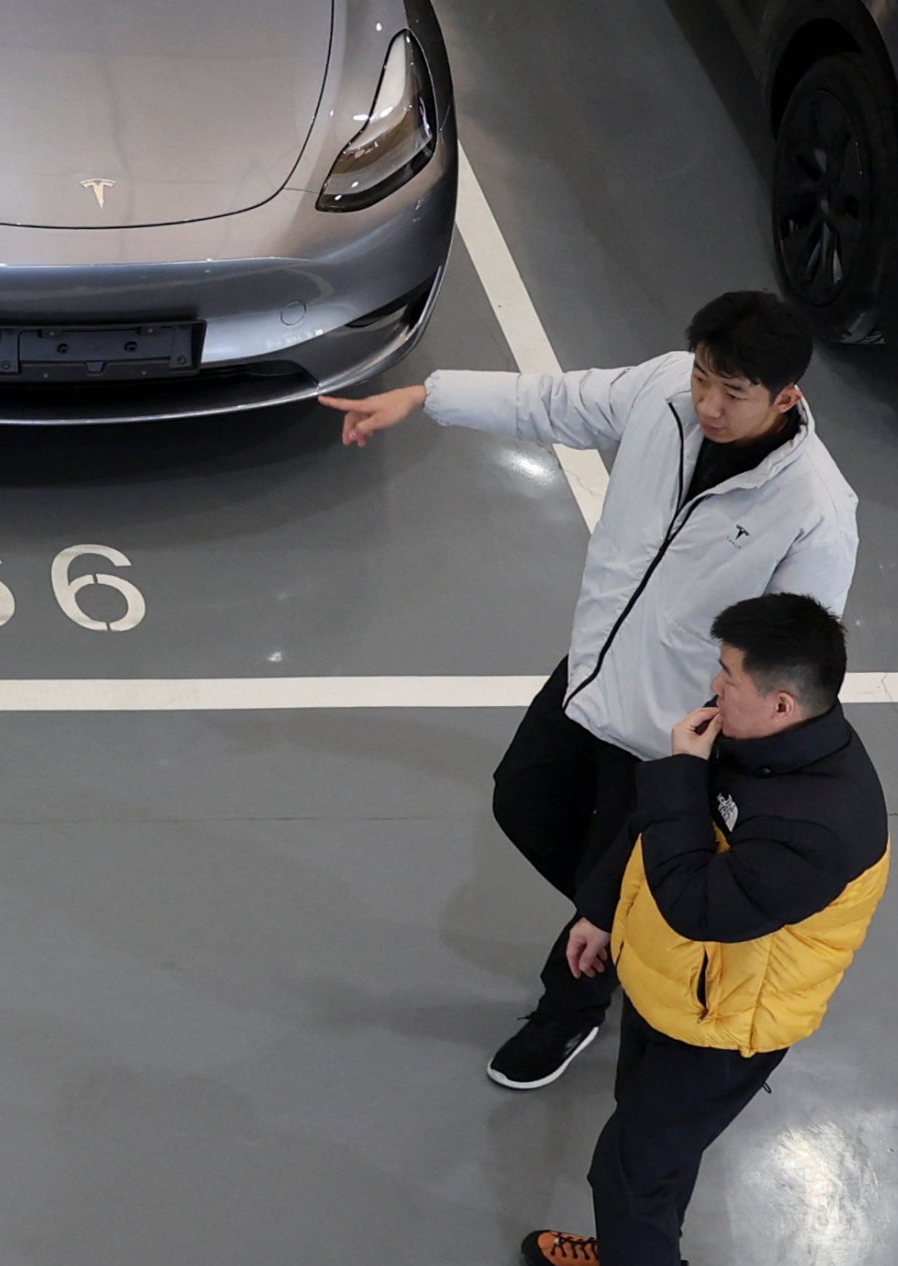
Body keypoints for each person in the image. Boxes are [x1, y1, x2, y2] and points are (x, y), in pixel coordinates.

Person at [322, 291, 858, 1090]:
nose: (707, 403)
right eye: (704, 378)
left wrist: (717, 766)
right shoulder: (661, 393)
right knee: (523, 803)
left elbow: (791, 661)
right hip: (593, 674)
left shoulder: (814, 513)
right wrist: (423, 396)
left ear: (786, 398)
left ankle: (569, 1006)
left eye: (732, 393)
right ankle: (636, 926)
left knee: (610, 894)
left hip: (670, 738)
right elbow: (553, 402)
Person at [517, 593, 890, 1266]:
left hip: (728, 1026)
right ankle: (634, 1248)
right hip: (671, 986)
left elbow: (700, 908)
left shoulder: (823, 822)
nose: (712, 687)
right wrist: (598, 910)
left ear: (781, 701)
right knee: (647, 1154)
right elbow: (650, 832)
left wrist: (681, 774)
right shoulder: (747, 734)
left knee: (628, 1166)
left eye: (726, 675)